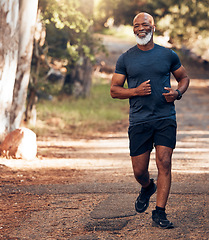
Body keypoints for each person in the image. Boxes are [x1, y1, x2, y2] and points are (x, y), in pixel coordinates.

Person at [110, 12, 190, 229]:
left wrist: (177, 93)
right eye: (136, 25)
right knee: (139, 171)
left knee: (164, 162)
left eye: (145, 24)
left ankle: (159, 212)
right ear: (133, 29)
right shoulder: (126, 58)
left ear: (153, 27)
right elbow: (114, 90)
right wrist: (135, 91)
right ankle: (147, 187)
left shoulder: (167, 55)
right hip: (139, 120)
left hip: (165, 117)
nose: (141, 28)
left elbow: (183, 77)